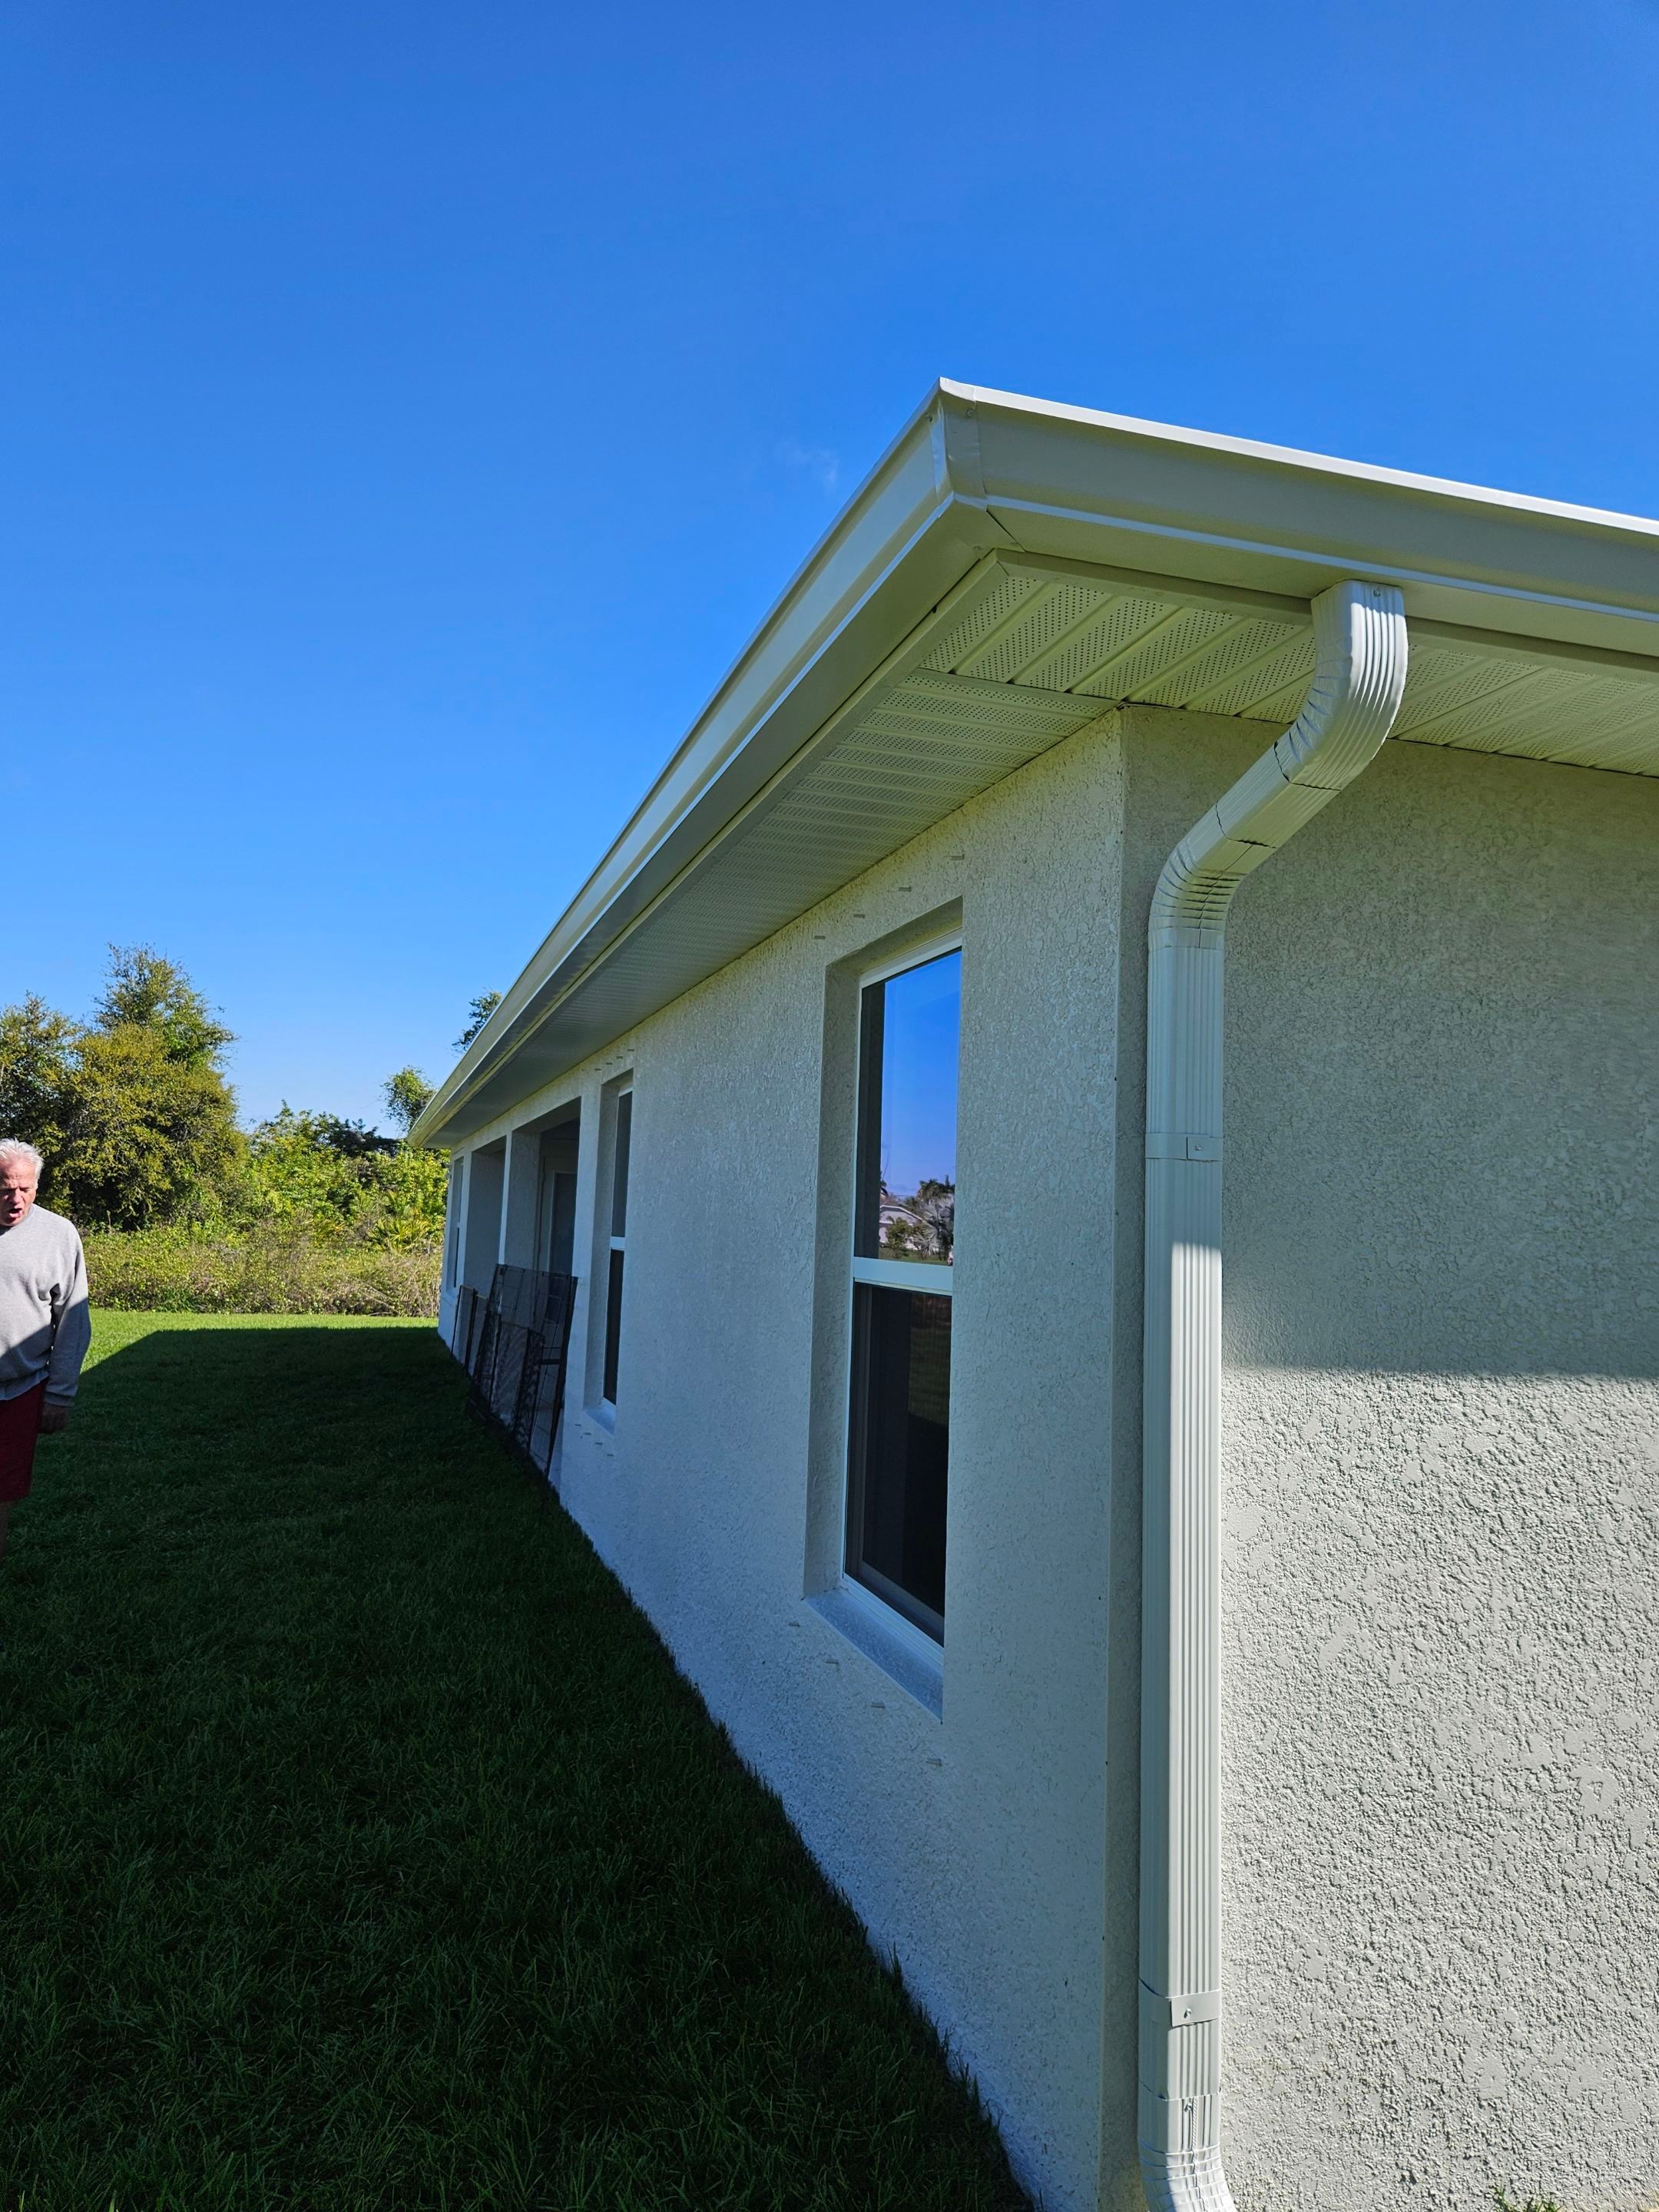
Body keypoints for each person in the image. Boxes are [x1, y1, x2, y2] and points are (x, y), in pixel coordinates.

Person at [0, 1139, 91, 1561]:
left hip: (20, 1387)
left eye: (26, 1189)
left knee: (3, 1492)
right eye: (5, 1189)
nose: (16, 1199)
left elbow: (73, 1319)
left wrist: (60, 1393)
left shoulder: (58, 1235)